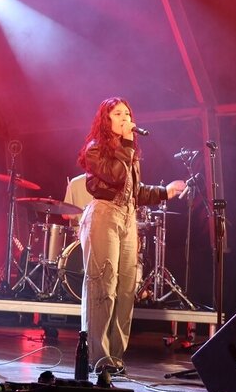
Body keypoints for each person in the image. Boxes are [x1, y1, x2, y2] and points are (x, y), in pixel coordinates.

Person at [76, 97, 187, 373]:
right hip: (104, 214)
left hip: (127, 218)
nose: (125, 118)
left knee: (125, 291)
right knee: (103, 286)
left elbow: (135, 193)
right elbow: (114, 176)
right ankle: (98, 358)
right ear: (106, 120)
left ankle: (115, 359)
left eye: (127, 113)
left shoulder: (129, 154)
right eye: (118, 114)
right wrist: (126, 144)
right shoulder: (95, 149)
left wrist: (165, 192)